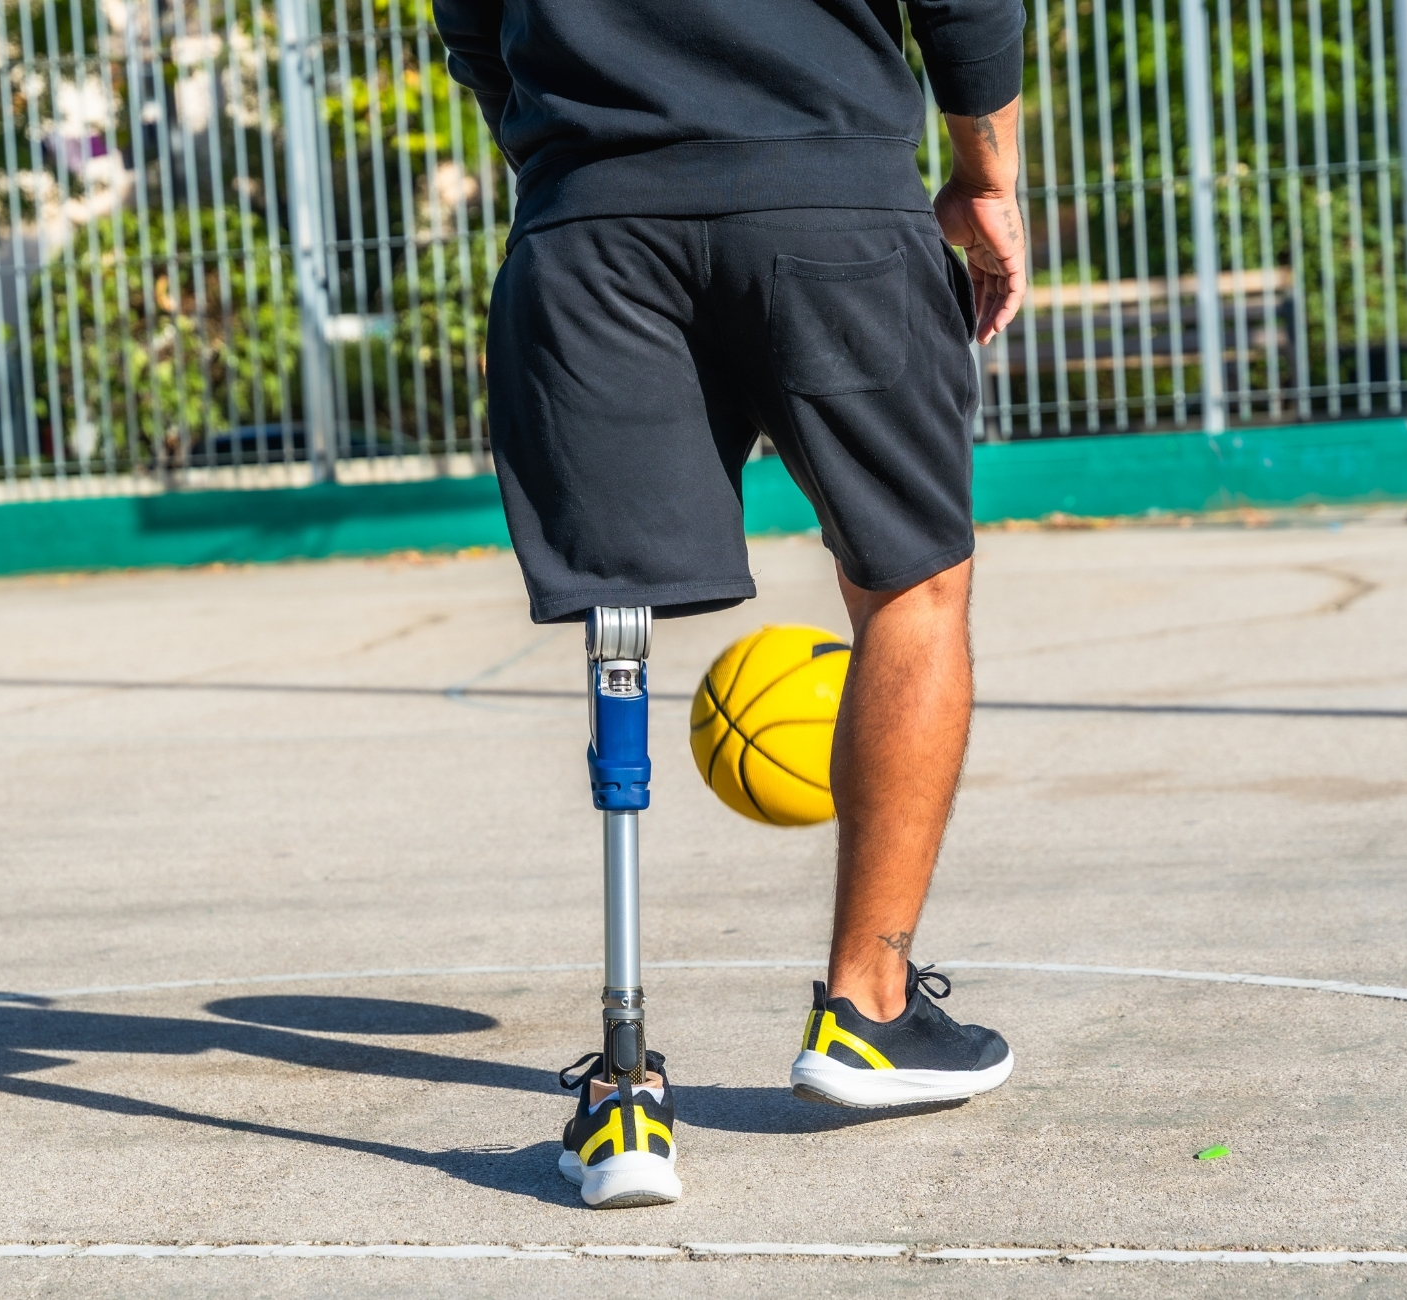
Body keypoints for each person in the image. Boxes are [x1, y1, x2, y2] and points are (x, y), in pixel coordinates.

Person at [434, 0, 1031, 1207]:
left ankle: (621, 1095)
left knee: (618, 625)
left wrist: (567, 150)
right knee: (911, 585)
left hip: (593, 225)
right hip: (829, 202)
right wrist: (984, 174)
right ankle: (866, 1010)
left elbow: (470, 17)